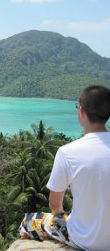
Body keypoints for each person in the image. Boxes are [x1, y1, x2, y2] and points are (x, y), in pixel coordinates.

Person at [47, 85, 110, 250]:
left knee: (29, 222)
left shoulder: (67, 152)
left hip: (84, 239)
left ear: (81, 111)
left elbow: (55, 205)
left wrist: (64, 217)